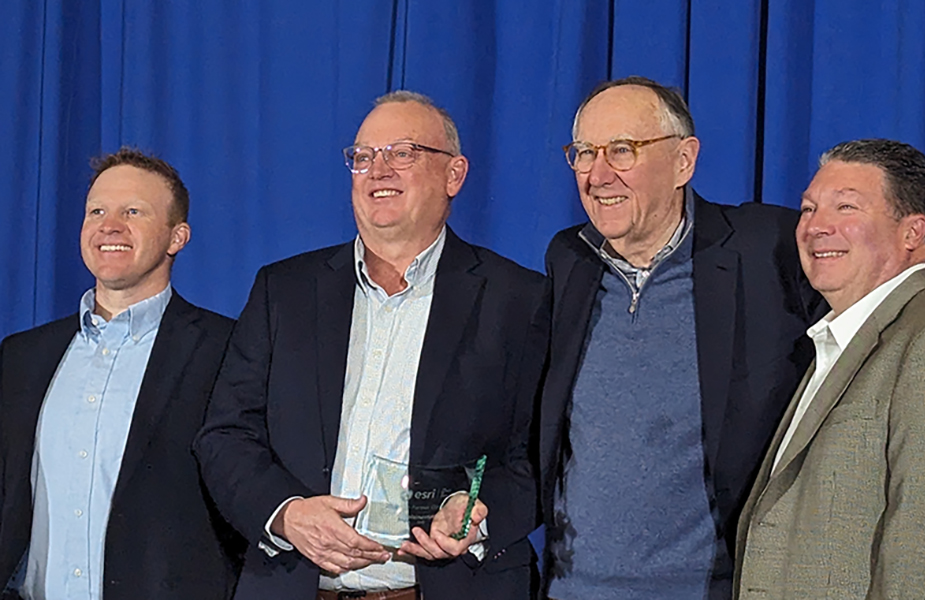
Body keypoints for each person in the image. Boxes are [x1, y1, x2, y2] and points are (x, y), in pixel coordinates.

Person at [538, 77, 925, 600]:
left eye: (621, 150)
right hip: (572, 589)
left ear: (684, 161)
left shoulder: (764, 246)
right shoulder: (570, 258)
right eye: (584, 153)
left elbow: (890, 287)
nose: (597, 173)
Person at [194, 91, 548, 600]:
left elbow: (540, 455)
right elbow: (225, 434)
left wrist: (478, 513)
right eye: (363, 157)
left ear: (454, 175)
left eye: (402, 153)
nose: (378, 170)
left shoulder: (520, 299)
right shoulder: (284, 291)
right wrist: (286, 513)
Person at [734, 139, 925, 599]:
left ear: (912, 232)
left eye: (846, 207)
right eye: (808, 209)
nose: (816, 226)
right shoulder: (835, 345)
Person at [0, 148, 245, 600]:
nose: (109, 225)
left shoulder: (229, 350)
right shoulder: (21, 358)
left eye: (133, 211)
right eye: (97, 211)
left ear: (177, 237)